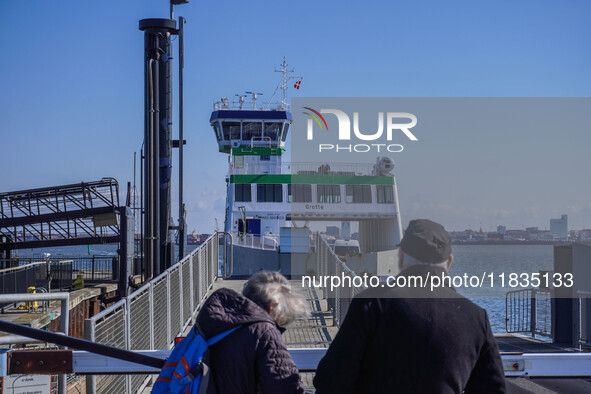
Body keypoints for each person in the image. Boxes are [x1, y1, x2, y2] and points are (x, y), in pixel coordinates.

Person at [313, 219, 506, 393]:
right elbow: (493, 388)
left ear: (401, 257)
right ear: (449, 262)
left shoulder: (372, 303)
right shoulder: (475, 316)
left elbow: (331, 380)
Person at [195, 270, 308, 394]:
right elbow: (284, 387)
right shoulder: (265, 332)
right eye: (280, 319)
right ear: (272, 307)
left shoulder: (217, 325)